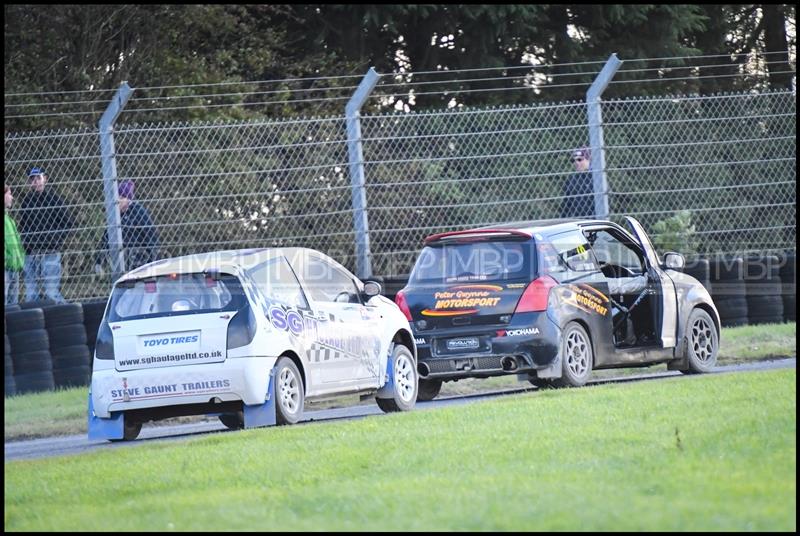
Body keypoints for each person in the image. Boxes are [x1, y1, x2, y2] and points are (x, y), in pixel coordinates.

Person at [17, 167, 74, 303]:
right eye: (32, 179)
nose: (36, 182)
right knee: (31, 293)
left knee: (51, 292)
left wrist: (54, 240)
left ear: (45, 179)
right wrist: (27, 243)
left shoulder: (54, 200)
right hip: (31, 252)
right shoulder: (27, 202)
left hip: (50, 251)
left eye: (38, 178)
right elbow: (24, 226)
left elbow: (68, 223)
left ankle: (65, 313)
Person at [96, 179, 159, 274]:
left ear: (127, 199)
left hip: (139, 260)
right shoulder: (114, 216)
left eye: (120, 198)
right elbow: (106, 238)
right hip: (120, 261)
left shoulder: (139, 212)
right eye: (116, 198)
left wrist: (153, 261)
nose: (117, 202)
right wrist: (99, 262)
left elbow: (150, 236)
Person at [559, 147, 595, 219]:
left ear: (588, 160)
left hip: (595, 221)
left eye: (580, 159)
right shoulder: (572, 179)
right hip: (577, 222)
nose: (576, 163)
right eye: (574, 160)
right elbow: (566, 204)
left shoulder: (597, 178)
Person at [5, 185, 26, 305]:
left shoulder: (9, 220)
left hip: (14, 267)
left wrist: (20, 261)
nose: (12, 197)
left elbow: (17, 244)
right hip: (6, 267)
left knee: (13, 307)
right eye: (9, 194)